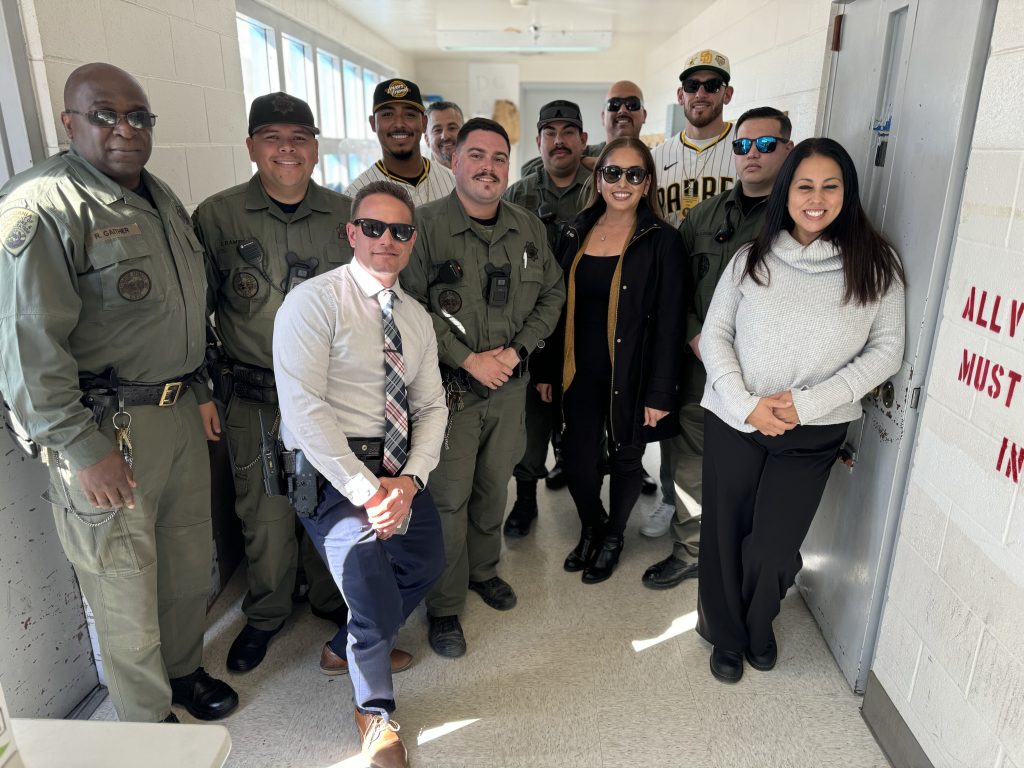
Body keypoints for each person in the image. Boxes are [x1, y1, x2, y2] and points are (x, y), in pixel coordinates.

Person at [0, 63, 237, 722]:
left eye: (138, 116)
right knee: (123, 583)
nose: (125, 129)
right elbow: (26, 349)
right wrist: (81, 448)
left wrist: (203, 385)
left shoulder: (158, 198)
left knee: (189, 561)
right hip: (109, 432)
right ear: (69, 123)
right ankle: (144, 720)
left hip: (181, 412)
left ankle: (184, 671)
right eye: (104, 115)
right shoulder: (42, 207)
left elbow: (191, 311)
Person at [196, 93, 412, 675]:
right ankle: (266, 612)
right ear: (250, 147)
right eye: (271, 136)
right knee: (263, 511)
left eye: (299, 137)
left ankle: (331, 604)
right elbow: (198, 311)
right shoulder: (218, 216)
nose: (286, 148)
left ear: (316, 147)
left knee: (332, 503)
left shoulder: (345, 215)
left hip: (331, 396)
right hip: (253, 394)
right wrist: (200, 390)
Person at [696, 137, 905, 682]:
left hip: (813, 430)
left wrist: (805, 403)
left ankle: (759, 619)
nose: (816, 198)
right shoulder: (752, 257)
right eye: (804, 186)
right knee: (724, 533)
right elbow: (715, 334)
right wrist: (746, 405)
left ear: (847, 193)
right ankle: (727, 635)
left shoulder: (876, 264)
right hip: (734, 419)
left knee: (772, 545)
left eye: (830, 186)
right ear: (786, 192)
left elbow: (886, 352)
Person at [273, 180, 447, 768]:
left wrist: (411, 480)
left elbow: (431, 407)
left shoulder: (417, 319)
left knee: (425, 562)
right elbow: (303, 410)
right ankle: (374, 712)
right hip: (332, 473)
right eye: (373, 227)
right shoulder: (314, 303)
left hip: (397, 471)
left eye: (400, 231)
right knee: (369, 587)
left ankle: (347, 646)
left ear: (412, 241)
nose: (386, 240)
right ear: (352, 233)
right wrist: (367, 492)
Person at [402, 118, 565, 657]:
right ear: (454, 160)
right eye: (476, 155)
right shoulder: (423, 226)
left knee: (496, 488)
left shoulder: (527, 227)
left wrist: (515, 353)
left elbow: (553, 295)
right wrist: (468, 359)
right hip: (448, 393)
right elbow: (406, 304)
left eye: (499, 157)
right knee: (449, 499)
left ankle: (484, 570)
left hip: (508, 388)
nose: (488, 167)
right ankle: (445, 607)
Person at [641, 107, 795, 588]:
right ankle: (690, 551)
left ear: (787, 149)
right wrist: (695, 335)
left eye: (766, 145)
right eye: (743, 145)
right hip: (700, 364)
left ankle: (744, 559)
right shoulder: (704, 217)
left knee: (753, 472)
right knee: (688, 464)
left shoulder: (799, 223)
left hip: (764, 377)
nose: (752, 154)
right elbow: (676, 288)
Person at [535, 137, 684, 584]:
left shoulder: (662, 241)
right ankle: (592, 525)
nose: (622, 183)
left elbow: (671, 325)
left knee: (625, 459)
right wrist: (545, 369)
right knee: (578, 461)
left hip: (632, 375)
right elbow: (553, 306)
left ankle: (614, 538)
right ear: (598, 180)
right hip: (578, 372)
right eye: (613, 173)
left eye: (634, 174)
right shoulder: (575, 231)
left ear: (647, 183)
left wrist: (660, 392)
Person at [501, 100, 590, 538]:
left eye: (568, 131)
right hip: (534, 324)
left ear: (583, 140)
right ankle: (525, 498)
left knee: (586, 418)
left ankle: (587, 499)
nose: (559, 140)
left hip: (589, 322)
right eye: (550, 132)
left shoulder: (599, 188)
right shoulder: (520, 194)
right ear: (538, 142)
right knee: (532, 420)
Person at [652, 49, 738, 228]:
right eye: (692, 86)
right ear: (680, 95)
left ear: (727, 94)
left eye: (712, 85)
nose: (700, 94)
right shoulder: (656, 157)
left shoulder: (746, 150)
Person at [346, 78, 455, 205]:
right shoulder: (354, 195)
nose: (399, 124)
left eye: (409, 114)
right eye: (388, 114)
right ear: (373, 124)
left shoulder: (453, 182)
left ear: (424, 123)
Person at [519, 80, 648, 183]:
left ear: (644, 115)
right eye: (614, 105)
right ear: (603, 117)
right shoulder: (586, 153)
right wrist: (582, 160)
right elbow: (528, 169)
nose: (622, 110)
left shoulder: (654, 157)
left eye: (632, 104)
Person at [426, 101, 464, 169]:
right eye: (437, 130)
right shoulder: (420, 178)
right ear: (427, 140)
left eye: (452, 128)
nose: (445, 136)